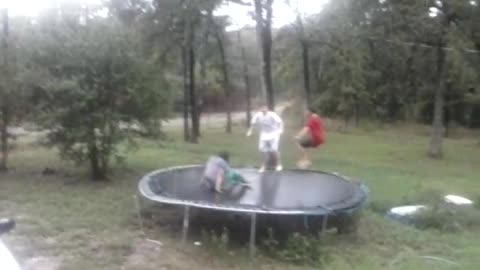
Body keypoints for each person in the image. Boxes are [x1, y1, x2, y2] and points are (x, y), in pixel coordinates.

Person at [247, 105, 284, 172]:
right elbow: (253, 123)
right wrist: (250, 131)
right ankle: (263, 166)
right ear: (260, 109)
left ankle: (279, 165)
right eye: (262, 108)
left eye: (265, 108)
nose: (264, 109)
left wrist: (281, 129)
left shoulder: (272, 114)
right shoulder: (258, 115)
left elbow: (280, 122)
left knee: (274, 150)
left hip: (273, 133)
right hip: (264, 134)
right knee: (262, 150)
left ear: (267, 108)